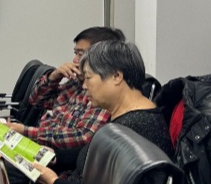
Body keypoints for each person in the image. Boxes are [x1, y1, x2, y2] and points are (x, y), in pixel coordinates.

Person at [32, 41, 174, 184]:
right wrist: (55, 157)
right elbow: (95, 154)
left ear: (116, 76)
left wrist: (53, 182)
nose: (84, 86)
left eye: (88, 78)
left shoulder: (135, 130)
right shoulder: (127, 118)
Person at [7, 26, 126, 155]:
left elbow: (83, 136)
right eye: (75, 53)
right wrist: (54, 77)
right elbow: (36, 101)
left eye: (80, 54)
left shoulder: (102, 93)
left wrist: (26, 132)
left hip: (57, 157)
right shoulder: (75, 83)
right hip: (40, 146)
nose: (75, 60)